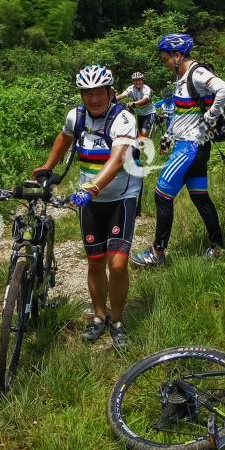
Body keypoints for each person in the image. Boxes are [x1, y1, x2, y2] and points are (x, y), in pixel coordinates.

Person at [33, 64, 137, 349]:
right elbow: (65, 139)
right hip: (89, 202)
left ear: (110, 91)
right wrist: (47, 167)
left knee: (117, 264)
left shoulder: (123, 118)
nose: (93, 99)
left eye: (99, 92)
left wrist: (91, 188)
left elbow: (117, 160)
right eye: (87, 93)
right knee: (95, 261)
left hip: (121, 198)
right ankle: (99, 317)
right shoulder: (76, 116)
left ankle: (116, 320)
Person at [131, 34, 225, 267]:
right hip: (195, 146)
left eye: (166, 58)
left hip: (190, 148)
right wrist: (168, 135)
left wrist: (212, 114)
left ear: (178, 56)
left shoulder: (196, 73)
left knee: (161, 194)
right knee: (200, 197)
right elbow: (181, 112)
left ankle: (157, 253)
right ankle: (218, 247)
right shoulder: (182, 77)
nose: (164, 63)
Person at [117, 72, 156, 139]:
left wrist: (133, 103)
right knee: (139, 133)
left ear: (142, 80)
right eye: (135, 80)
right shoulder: (131, 88)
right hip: (139, 114)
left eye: (139, 80)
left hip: (149, 113)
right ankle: (142, 146)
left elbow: (145, 99)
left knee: (144, 131)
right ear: (133, 82)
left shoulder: (146, 88)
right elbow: (123, 95)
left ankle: (148, 143)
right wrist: (112, 99)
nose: (138, 82)